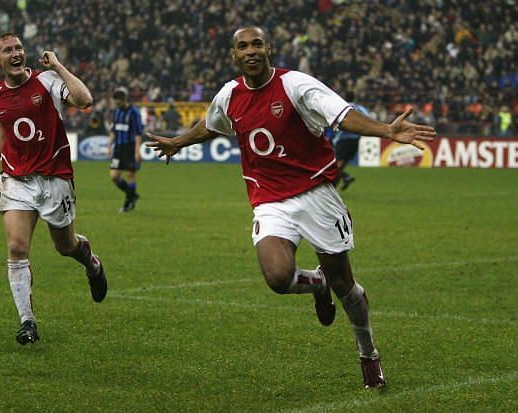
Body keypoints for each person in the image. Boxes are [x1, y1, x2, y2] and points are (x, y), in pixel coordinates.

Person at [147, 26, 435, 388]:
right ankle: (317, 285)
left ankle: (368, 353)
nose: (250, 51)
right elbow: (211, 125)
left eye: (256, 44)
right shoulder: (229, 94)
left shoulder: (296, 85)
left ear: (269, 48)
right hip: (269, 200)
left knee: (346, 285)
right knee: (278, 278)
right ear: (234, 56)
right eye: (242, 46)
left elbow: (341, 115)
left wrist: (385, 131)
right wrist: (178, 141)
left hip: (316, 193)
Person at [0, 33, 107, 346]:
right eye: (7, 50)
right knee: (17, 247)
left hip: (55, 178)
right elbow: (5, 123)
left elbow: (85, 100)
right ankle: (27, 321)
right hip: (15, 179)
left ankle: (90, 260)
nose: (16, 53)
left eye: (19, 48)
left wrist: (60, 66)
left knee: (65, 246)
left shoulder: (48, 81)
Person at [108, 86, 143, 213]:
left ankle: (128, 203)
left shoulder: (134, 112)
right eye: (116, 101)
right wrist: (109, 146)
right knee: (114, 176)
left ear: (125, 99)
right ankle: (132, 194)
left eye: (119, 101)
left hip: (130, 147)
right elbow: (114, 130)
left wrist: (137, 151)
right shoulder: (116, 112)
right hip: (118, 147)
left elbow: (138, 133)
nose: (118, 104)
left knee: (130, 175)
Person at [332, 91, 373, 190]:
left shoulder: (344, 107)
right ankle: (342, 181)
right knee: (340, 165)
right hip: (355, 140)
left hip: (344, 140)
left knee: (335, 166)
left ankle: (344, 178)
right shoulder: (360, 108)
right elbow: (369, 117)